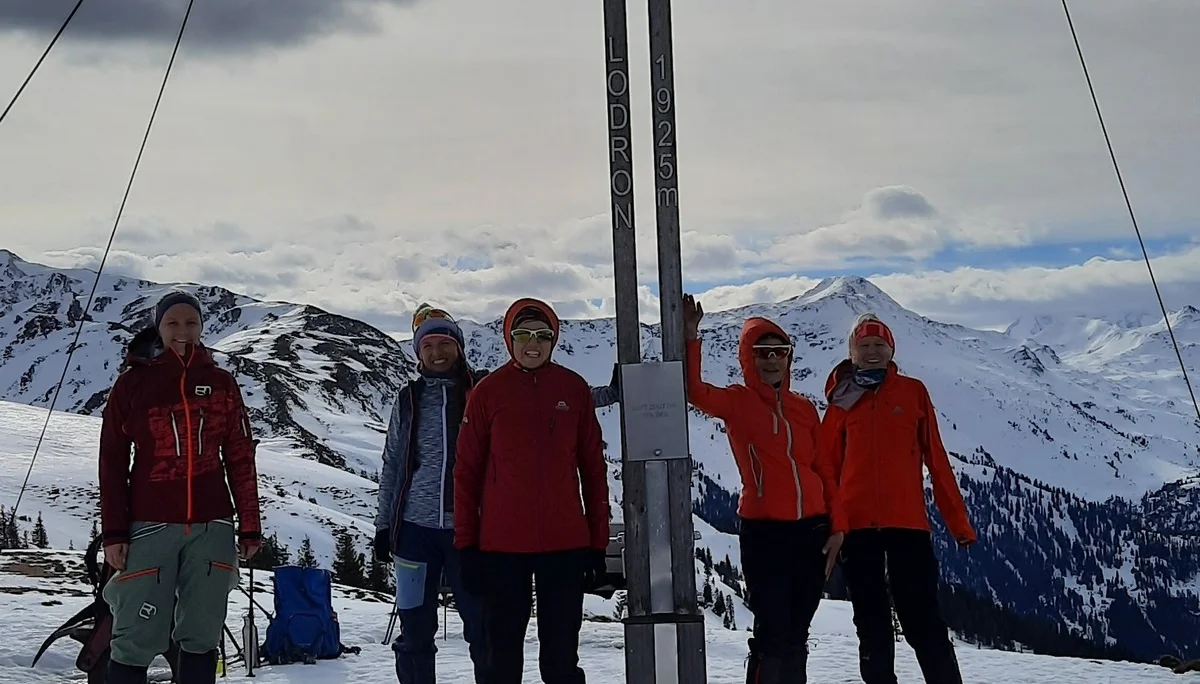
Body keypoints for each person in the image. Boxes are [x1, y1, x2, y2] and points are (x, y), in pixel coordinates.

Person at [98, 289, 261, 684]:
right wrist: (114, 533)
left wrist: (250, 525)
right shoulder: (133, 384)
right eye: (172, 323)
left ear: (203, 327)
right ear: (159, 327)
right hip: (150, 525)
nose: (182, 331)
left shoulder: (221, 383)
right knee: (135, 637)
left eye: (191, 322)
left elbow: (240, 456)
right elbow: (112, 461)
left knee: (202, 636)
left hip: (213, 527)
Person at [681, 294, 845, 684]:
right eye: (762, 353)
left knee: (796, 635)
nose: (772, 360)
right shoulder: (738, 402)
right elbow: (695, 391)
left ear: (789, 357)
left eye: (779, 352)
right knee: (772, 634)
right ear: (747, 359)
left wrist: (838, 528)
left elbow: (823, 469)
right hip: (765, 532)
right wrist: (691, 336)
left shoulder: (803, 409)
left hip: (813, 532)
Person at [453, 297, 611, 684]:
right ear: (509, 339)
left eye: (542, 335)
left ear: (554, 340)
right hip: (501, 547)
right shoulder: (489, 392)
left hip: (565, 545)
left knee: (561, 658)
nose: (533, 343)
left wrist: (597, 543)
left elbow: (592, 469)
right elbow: (467, 472)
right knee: (501, 659)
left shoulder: (573, 389)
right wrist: (466, 546)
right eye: (522, 334)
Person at [821, 313, 976, 684]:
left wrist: (959, 524)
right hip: (857, 529)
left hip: (908, 526)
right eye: (865, 346)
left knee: (923, 619)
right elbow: (825, 468)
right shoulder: (841, 401)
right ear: (852, 353)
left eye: (879, 345)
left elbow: (936, 458)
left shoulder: (913, 392)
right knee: (871, 624)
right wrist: (828, 525)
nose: (872, 352)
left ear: (892, 350)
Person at [374, 304, 488, 684]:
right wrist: (384, 524)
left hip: (470, 533)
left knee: (482, 628)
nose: (437, 353)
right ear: (418, 352)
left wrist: (611, 394)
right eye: (428, 346)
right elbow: (392, 462)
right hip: (414, 532)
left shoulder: (482, 391)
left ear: (458, 346)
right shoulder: (408, 399)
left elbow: (541, 404)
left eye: (444, 343)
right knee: (415, 630)